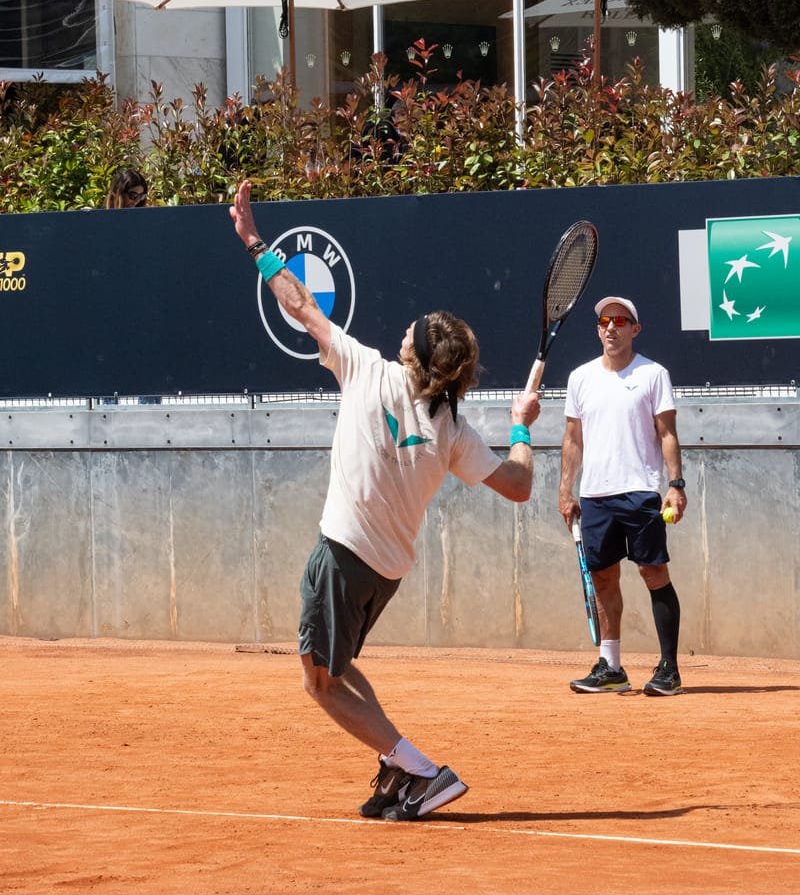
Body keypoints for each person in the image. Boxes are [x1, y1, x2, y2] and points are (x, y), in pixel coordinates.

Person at [230, 179, 541, 820]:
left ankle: (423, 771)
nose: (406, 328)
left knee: (318, 682)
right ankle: (400, 767)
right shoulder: (453, 428)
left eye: (415, 330)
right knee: (338, 667)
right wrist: (520, 425)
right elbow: (519, 486)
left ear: (417, 355)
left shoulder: (367, 370)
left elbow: (301, 305)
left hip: (343, 556)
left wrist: (257, 243)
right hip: (386, 572)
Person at [559, 296, 686, 697]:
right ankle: (611, 667)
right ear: (598, 330)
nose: (610, 327)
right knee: (603, 579)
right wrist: (566, 489)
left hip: (641, 493)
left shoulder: (653, 374)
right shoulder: (580, 378)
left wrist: (675, 485)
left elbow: (667, 433)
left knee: (653, 574)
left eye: (620, 320)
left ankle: (669, 669)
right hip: (595, 495)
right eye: (604, 321)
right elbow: (573, 439)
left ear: (635, 328)